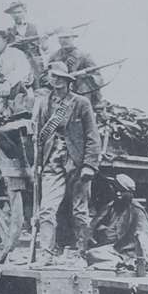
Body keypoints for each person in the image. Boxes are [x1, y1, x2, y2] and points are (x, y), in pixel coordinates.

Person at [32, 61, 101, 267]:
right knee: (46, 209)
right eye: (53, 76)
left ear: (67, 81)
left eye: (60, 77)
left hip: (77, 164)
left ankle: (81, 254)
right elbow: (38, 137)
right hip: (52, 162)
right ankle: (45, 254)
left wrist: (90, 164)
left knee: (80, 210)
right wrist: (37, 163)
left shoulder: (80, 103)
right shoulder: (44, 103)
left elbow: (92, 136)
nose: (56, 80)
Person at [88, 174, 148, 271]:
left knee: (96, 255)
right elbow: (94, 225)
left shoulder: (137, 210)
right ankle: (120, 263)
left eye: (120, 191)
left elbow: (144, 236)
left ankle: (125, 263)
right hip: (115, 249)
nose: (117, 193)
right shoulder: (112, 207)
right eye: (116, 190)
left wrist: (145, 255)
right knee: (92, 253)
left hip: (131, 253)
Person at [0, 27, 33, 117]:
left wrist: (8, 82)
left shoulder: (16, 53)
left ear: (5, 41)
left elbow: (22, 70)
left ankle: (12, 110)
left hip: (16, 89)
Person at [48, 30, 103, 110]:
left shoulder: (84, 55)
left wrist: (80, 75)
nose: (64, 40)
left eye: (67, 37)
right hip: (59, 88)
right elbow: (45, 75)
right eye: (61, 38)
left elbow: (97, 76)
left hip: (78, 88)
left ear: (73, 38)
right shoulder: (54, 56)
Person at [3, 0, 44, 81]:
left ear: (25, 12)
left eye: (19, 12)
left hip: (35, 63)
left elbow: (44, 48)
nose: (17, 15)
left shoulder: (35, 27)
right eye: (14, 13)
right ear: (11, 15)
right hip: (18, 64)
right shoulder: (8, 31)